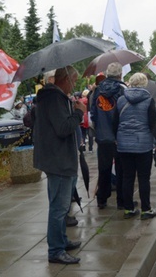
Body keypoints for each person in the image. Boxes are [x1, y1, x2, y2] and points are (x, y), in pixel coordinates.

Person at [33, 65, 85, 265]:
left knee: (61, 206)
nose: (75, 85)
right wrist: (79, 113)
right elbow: (63, 128)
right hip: (59, 160)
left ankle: (61, 241)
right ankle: (55, 250)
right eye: (74, 80)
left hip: (59, 158)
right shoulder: (54, 98)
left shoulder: (54, 97)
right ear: (66, 80)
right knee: (59, 207)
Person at [115, 72, 156, 220]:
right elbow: (153, 124)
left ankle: (128, 209)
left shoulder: (121, 100)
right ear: (144, 84)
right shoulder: (148, 100)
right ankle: (146, 210)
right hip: (143, 144)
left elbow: (115, 122)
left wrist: (117, 139)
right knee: (143, 178)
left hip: (124, 144)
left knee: (127, 177)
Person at [90, 63, 126, 210]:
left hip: (102, 136)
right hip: (119, 136)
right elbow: (125, 112)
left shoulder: (97, 90)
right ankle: (122, 201)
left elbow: (93, 113)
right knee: (121, 169)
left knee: (104, 168)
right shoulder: (122, 89)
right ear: (120, 75)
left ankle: (102, 199)